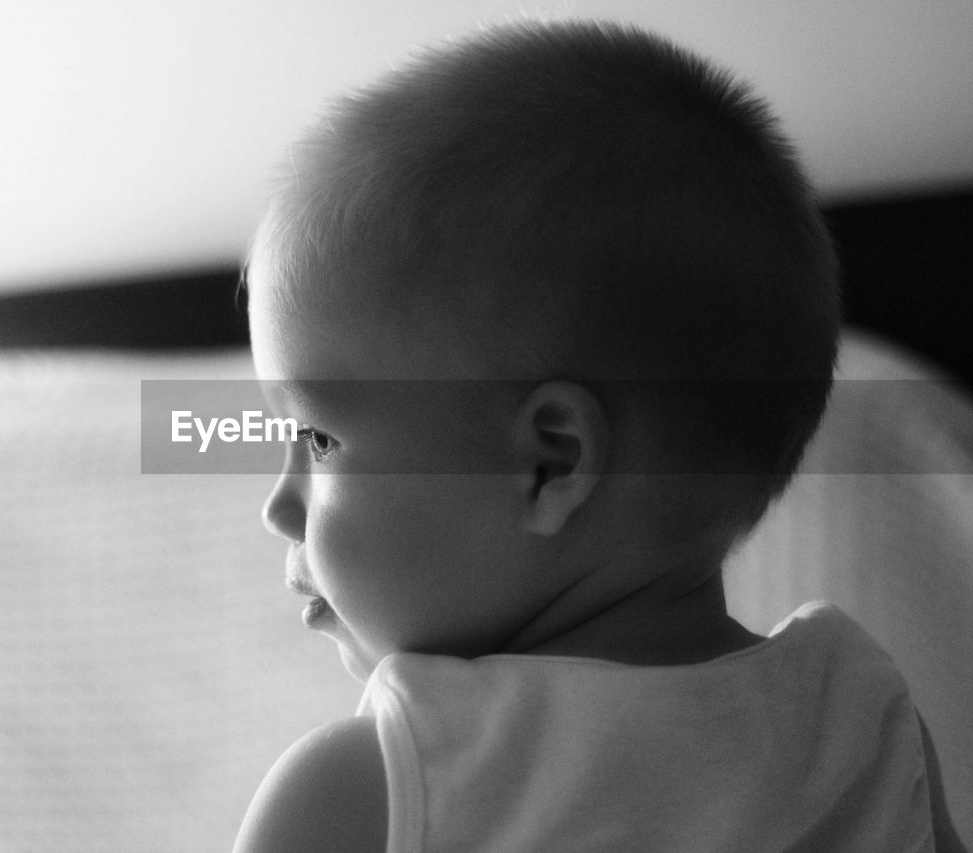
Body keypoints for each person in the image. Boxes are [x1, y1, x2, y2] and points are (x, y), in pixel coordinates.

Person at [233, 18, 964, 852]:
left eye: (317, 439)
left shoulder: (373, 790)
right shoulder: (860, 717)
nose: (278, 507)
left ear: (552, 459)